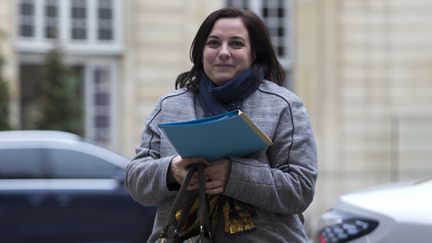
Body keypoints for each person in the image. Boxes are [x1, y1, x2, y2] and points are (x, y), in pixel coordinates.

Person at [125, 7, 318, 243]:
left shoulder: (284, 107)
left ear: (254, 53)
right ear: (201, 51)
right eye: (214, 43)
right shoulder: (170, 106)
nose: (223, 52)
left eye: (236, 44)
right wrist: (171, 170)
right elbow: (135, 180)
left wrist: (233, 175)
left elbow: (300, 190)